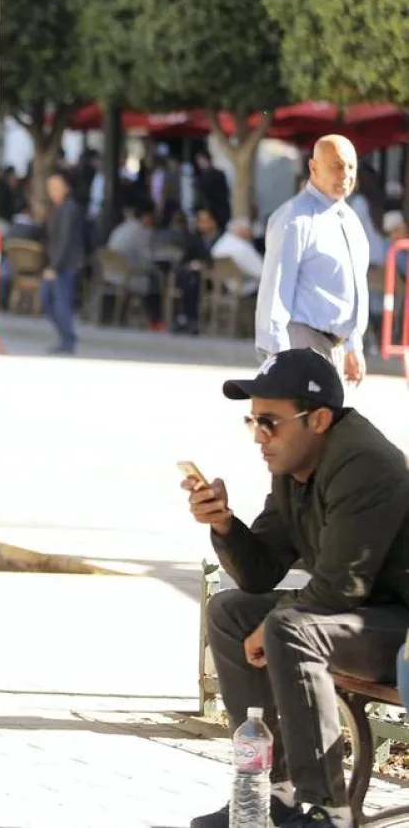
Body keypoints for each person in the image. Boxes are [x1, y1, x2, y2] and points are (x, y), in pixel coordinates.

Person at [185, 348, 409, 828]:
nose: (259, 437)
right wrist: (224, 524)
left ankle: (328, 810)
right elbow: (261, 572)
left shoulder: (364, 464)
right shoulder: (293, 467)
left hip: (400, 629)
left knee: (288, 628)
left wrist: (273, 625)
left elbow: (341, 587)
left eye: (270, 422)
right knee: (230, 612)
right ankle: (270, 792)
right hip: (357, 618)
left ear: (320, 419)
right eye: (253, 422)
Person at [255, 135, 370, 384]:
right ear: (314, 167)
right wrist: (276, 355)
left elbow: (355, 287)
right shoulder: (295, 218)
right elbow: (276, 290)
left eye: (351, 166)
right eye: (337, 165)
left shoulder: (350, 220)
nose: (346, 174)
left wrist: (353, 345)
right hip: (303, 342)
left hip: (335, 348)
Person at [42, 170, 84, 353]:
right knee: (49, 301)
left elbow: (65, 240)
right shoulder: (57, 208)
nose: (53, 191)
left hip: (65, 265)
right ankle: (67, 336)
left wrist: (54, 266)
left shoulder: (69, 209)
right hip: (58, 264)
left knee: (60, 304)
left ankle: (68, 340)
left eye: (57, 187)